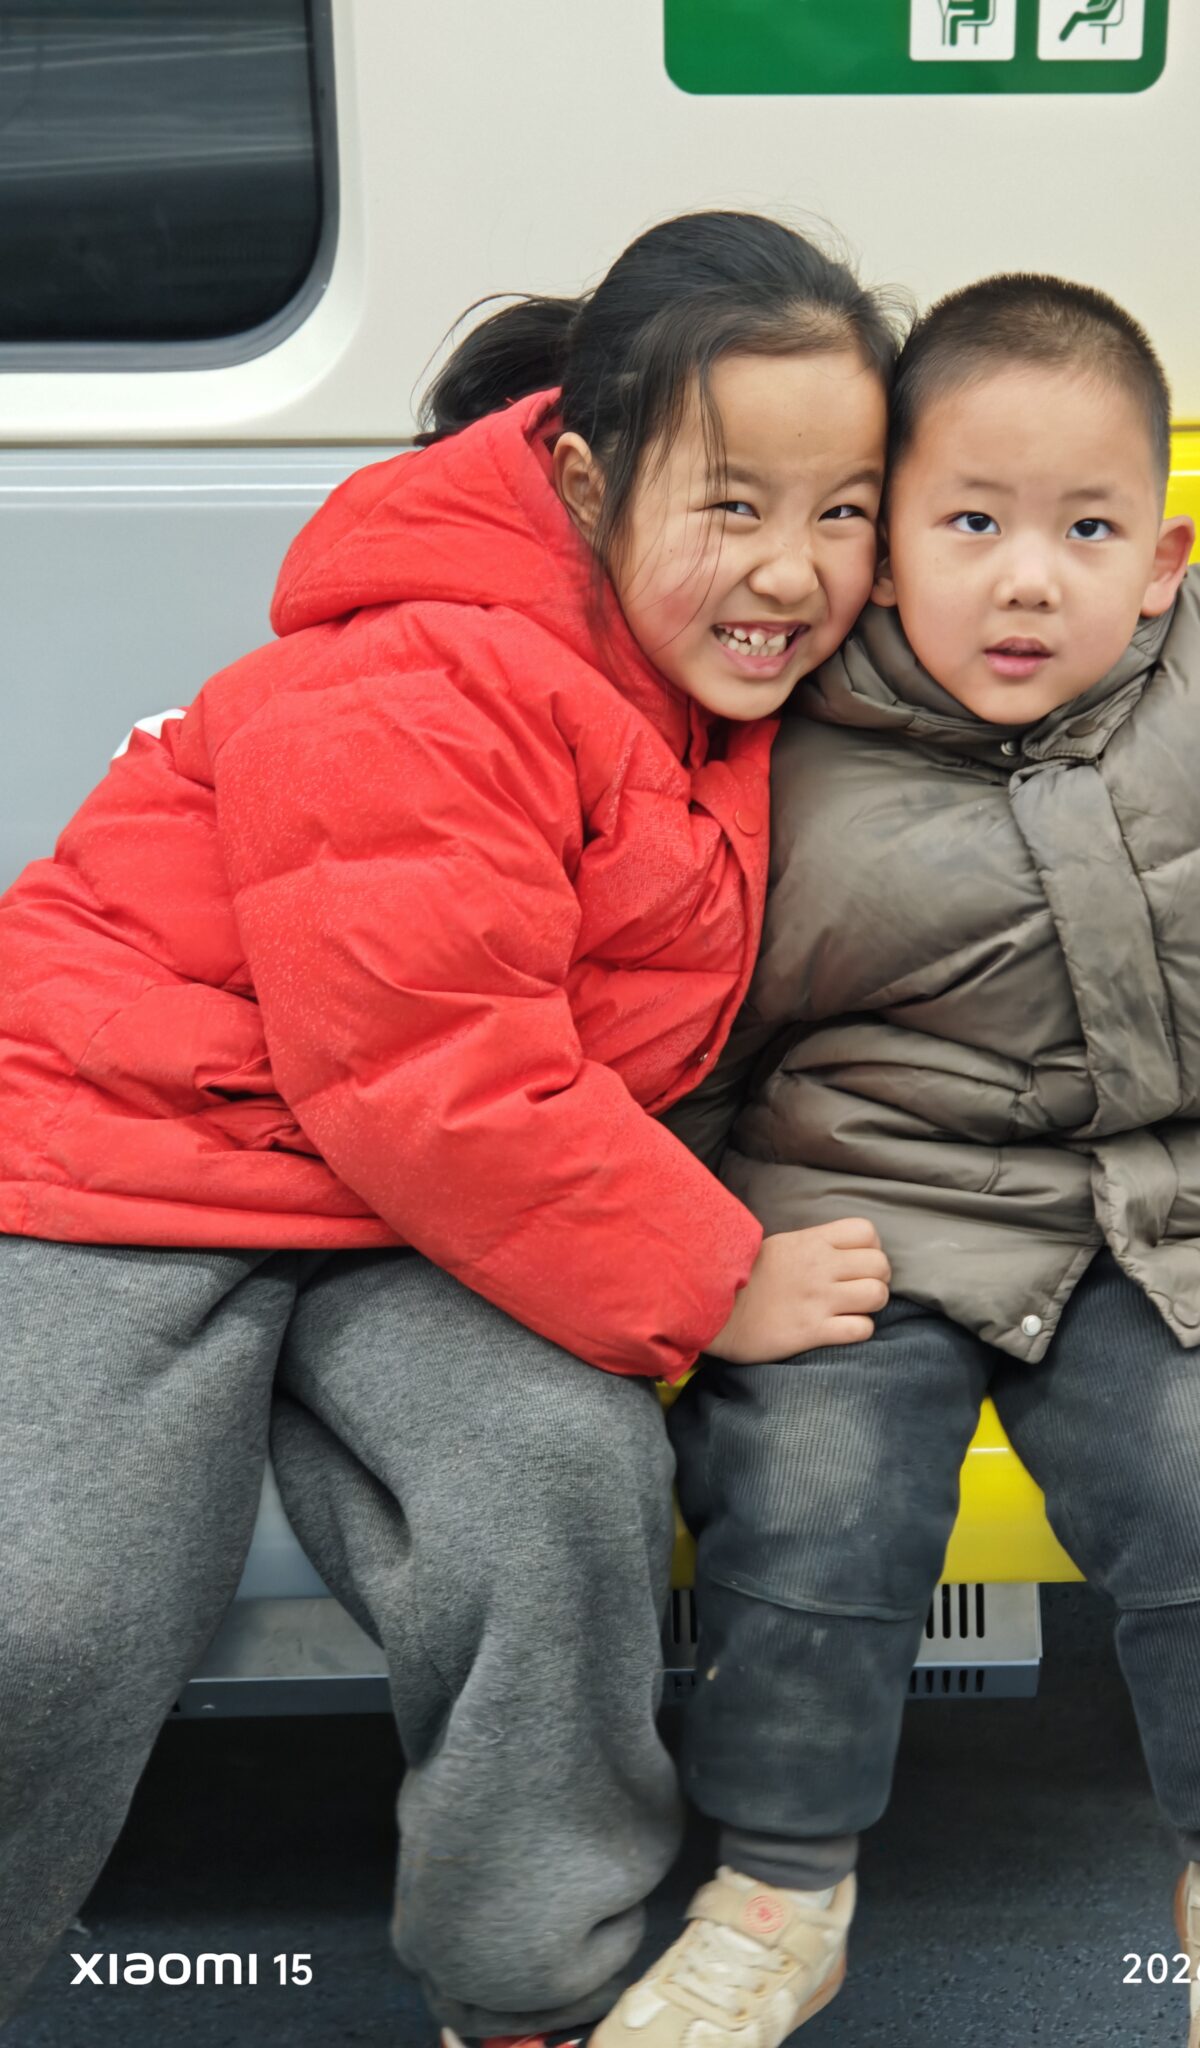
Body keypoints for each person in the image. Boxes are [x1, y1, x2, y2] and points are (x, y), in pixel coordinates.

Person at [598, 273, 1200, 2048]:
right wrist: (695, 1251)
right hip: (871, 1212)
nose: (1028, 579)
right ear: (884, 549)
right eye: (972, 525)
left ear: (1163, 558)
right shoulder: (784, 727)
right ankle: (780, 1891)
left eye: (1086, 531)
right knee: (811, 1487)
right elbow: (685, 1024)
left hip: (1181, 1215)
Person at [0, 211, 898, 2048]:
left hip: (406, 1213)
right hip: (124, 1154)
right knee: (52, 1607)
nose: (793, 570)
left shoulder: (721, 679)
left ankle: (523, 1987)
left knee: (554, 1487)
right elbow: (434, 1070)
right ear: (585, 485)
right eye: (733, 506)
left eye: (845, 512)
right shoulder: (425, 674)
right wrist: (710, 1278)